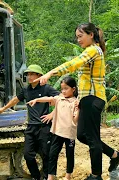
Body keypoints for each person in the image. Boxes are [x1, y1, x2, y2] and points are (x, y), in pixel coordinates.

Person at [34, 22, 119, 180]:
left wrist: (51, 73)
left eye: (80, 36)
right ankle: (114, 155)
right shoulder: (90, 51)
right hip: (87, 99)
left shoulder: (93, 50)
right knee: (81, 135)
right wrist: (79, 99)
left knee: (92, 138)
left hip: (94, 99)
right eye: (77, 37)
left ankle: (96, 175)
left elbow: (73, 64)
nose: (78, 39)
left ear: (91, 35)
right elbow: (84, 79)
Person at [0, 64, 59, 180]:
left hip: (44, 127)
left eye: (32, 74)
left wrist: (52, 114)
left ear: (39, 75)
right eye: (28, 74)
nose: (29, 77)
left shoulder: (46, 88)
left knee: (46, 154)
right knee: (28, 154)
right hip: (31, 127)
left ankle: (47, 177)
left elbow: (61, 98)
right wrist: (3, 109)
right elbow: (16, 99)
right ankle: (36, 177)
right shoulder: (26, 90)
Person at [27, 76, 79, 180]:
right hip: (57, 132)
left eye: (66, 89)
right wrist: (36, 100)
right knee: (52, 154)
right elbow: (49, 98)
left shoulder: (75, 102)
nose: (63, 91)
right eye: (62, 89)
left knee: (70, 154)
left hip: (69, 134)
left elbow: (75, 120)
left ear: (73, 89)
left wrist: (79, 110)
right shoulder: (59, 99)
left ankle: (68, 176)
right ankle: (51, 176)